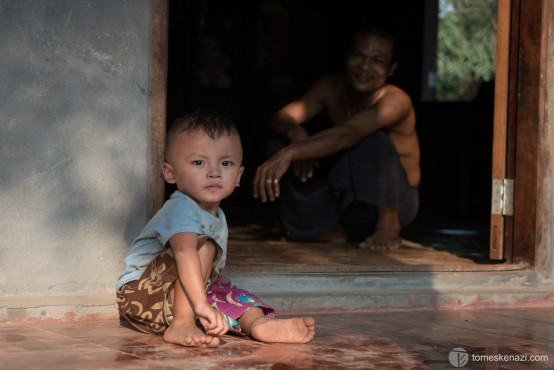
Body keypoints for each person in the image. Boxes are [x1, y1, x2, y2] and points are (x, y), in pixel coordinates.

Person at [116, 110, 315, 347]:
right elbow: (184, 253)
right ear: (170, 173)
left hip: (182, 293)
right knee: (204, 246)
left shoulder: (216, 213)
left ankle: (258, 325)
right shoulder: (181, 208)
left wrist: (205, 300)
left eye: (226, 163)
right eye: (199, 162)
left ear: (239, 175)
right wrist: (199, 305)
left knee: (231, 294)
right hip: (144, 295)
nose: (214, 172)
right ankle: (182, 322)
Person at [253, 21, 420, 251]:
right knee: (277, 143)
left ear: (391, 68)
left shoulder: (396, 101)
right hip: (347, 198)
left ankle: (388, 227)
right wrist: (296, 134)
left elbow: (348, 135)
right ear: (346, 57)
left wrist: (293, 151)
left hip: (395, 202)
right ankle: (329, 230)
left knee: (372, 139)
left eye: (377, 61)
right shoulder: (332, 86)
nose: (364, 67)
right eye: (358, 55)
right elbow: (280, 117)